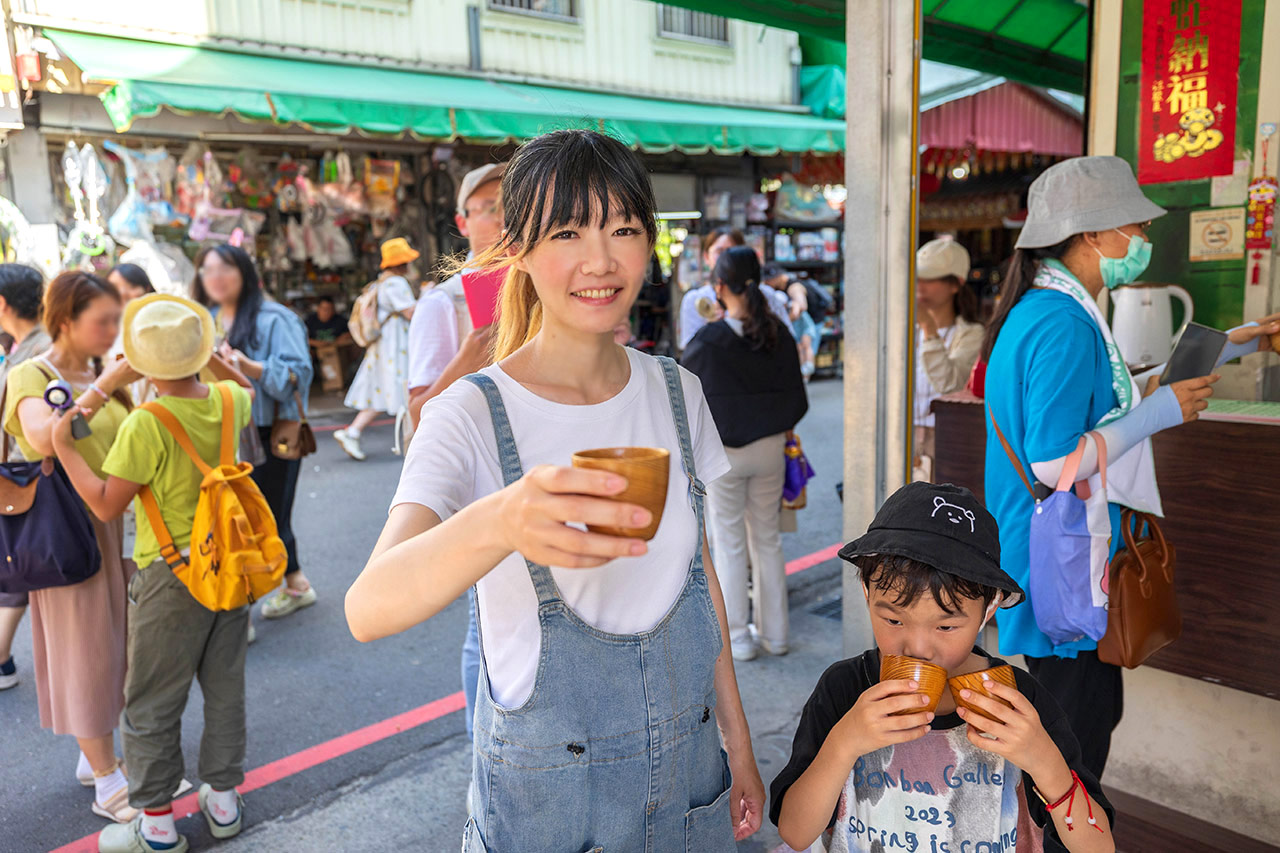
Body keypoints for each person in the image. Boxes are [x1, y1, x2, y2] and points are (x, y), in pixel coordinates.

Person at [346, 128, 765, 849]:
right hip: (550, 805)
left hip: (694, 779)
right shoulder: (471, 414)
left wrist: (740, 744)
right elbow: (368, 606)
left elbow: (702, 581)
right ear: (521, 253)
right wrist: (502, 520)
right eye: (567, 231)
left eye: (624, 229)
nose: (601, 260)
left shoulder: (677, 391)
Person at [981, 156, 1280, 779]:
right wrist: (1160, 413)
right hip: (1062, 560)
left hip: (1050, 552)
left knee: (1075, 726)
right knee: (1072, 749)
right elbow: (1055, 459)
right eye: (1137, 228)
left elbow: (1109, 397)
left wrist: (1238, 340)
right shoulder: (1063, 321)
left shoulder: (1052, 309)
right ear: (1095, 234)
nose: (1143, 241)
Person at [770, 482, 1116, 853]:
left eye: (946, 626)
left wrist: (1044, 760)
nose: (918, 649)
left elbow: (1097, 847)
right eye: (893, 621)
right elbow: (795, 832)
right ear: (868, 595)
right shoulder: (846, 689)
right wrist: (844, 743)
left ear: (989, 609)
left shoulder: (1017, 703)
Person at [51, 293, 256, 853]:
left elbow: (105, 504)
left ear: (142, 361)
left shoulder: (147, 422)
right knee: (224, 688)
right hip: (230, 568)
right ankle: (223, 802)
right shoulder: (231, 401)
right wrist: (207, 351)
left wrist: (62, 448)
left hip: (171, 577)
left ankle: (158, 826)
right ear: (200, 350)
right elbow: (240, 380)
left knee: (150, 703)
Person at [3, 271, 140, 821]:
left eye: (115, 320)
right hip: (66, 528)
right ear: (66, 321)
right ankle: (108, 779)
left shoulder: (104, 372)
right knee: (85, 655)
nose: (111, 331)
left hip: (121, 525)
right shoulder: (31, 374)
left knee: (123, 652)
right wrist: (107, 385)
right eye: (101, 321)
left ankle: (99, 760)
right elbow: (42, 438)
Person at [682, 246, 808, 662]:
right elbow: (798, 398)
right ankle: (778, 635)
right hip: (771, 448)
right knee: (767, 540)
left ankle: (738, 638)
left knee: (730, 543)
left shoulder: (708, 340)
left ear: (719, 287)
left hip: (724, 456)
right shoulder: (777, 333)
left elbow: (685, 400)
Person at [193, 243, 316, 622]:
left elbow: (298, 376)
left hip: (268, 432)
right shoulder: (203, 319)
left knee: (266, 515)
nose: (215, 277)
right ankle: (294, 583)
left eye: (225, 268)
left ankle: (245, 605)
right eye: (207, 269)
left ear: (245, 273)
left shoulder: (275, 319)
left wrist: (250, 366)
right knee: (235, 515)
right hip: (222, 432)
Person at [406, 162, 507, 431]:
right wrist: (467, 361)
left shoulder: (548, 288)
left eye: (516, 206)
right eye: (490, 207)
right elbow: (417, 416)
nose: (504, 219)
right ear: (462, 223)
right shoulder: (443, 303)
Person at [0, 263, 50, 691]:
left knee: (25, 561)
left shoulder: (35, 356)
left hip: (33, 478)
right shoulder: (26, 349)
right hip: (29, 477)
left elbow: (36, 436)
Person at [333, 238, 418, 461]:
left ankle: (352, 432)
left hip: (384, 347)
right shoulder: (397, 284)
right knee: (406, 389)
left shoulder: (381, 283)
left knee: (380, 390)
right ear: (402, 264)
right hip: (395, 347)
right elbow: (411, 313)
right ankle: (416, 444)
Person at [913, 237, 983, 482]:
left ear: (956, 284)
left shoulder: (972, 334)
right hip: (902, 433)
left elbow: (951, 386)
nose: (920, 286)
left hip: (945, 440)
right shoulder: (901, 330)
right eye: (917, 278)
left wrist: (928, 328)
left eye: (931, 279)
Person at [678, 227, 793, 348]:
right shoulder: (694, 300)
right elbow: (690, 351)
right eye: (719, 252)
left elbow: (787, 342)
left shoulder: (767, 295)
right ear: (706, 257)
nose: (725, 259)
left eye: (732, 251)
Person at [763, 262, 818, 379]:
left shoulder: (794, 287)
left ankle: (805, 375)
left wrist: (785, 321)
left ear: (777, 277)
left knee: (804, 348)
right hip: (802, 324)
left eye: (768, 280)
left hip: (807, 324)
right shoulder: (782, 289)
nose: (766, 283)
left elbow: (802, 306)